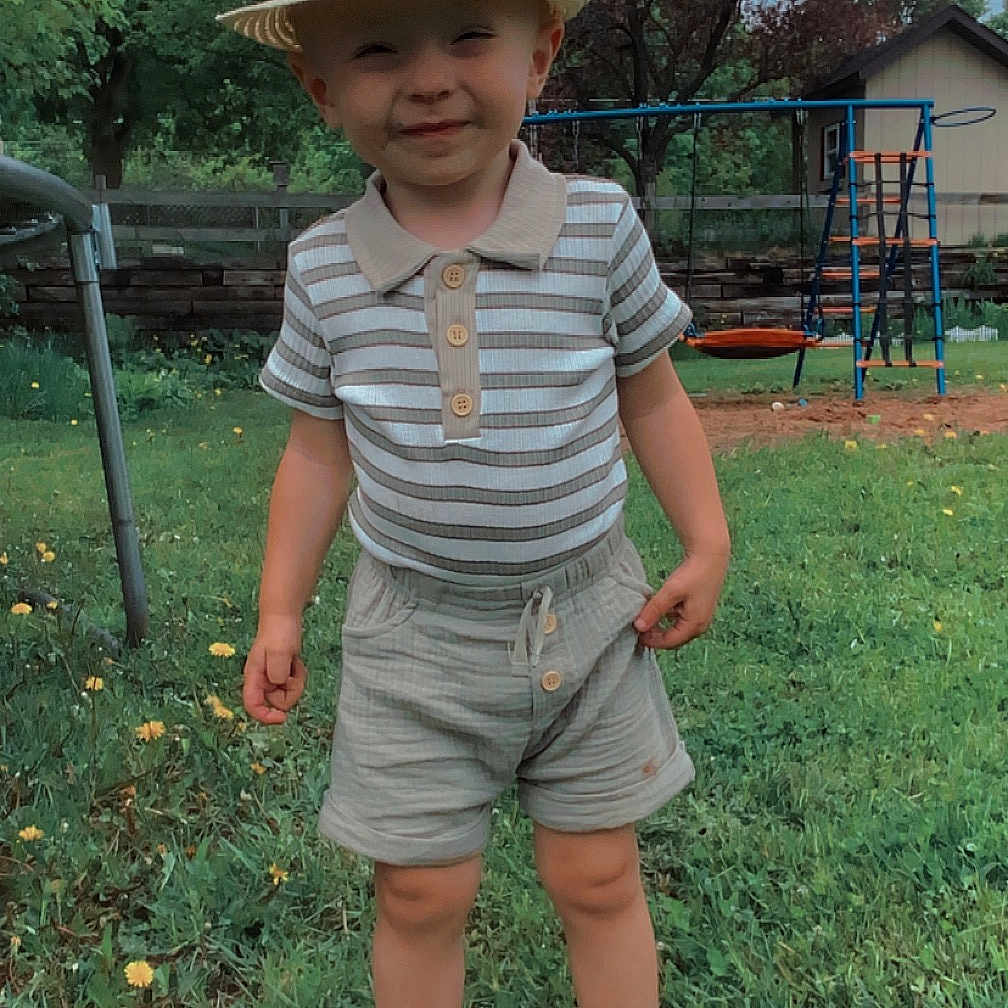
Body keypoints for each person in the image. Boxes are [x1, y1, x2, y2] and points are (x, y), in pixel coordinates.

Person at [217, 0, 730, 1004]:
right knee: (417, 890)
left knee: (596, 874)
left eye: (466, 36)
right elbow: (317, 455)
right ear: (320, 87)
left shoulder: (596, 226)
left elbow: (654, 397)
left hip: (589, 619)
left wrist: (707, 541)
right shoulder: (324, 266)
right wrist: (280, 610)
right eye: (375, 49)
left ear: (539, 56)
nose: (429, 79)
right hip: (413, 637)